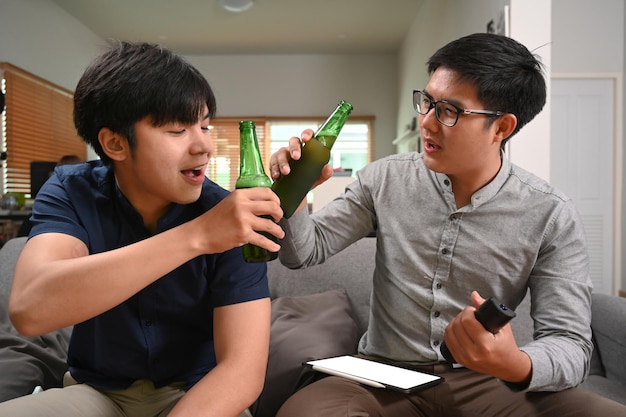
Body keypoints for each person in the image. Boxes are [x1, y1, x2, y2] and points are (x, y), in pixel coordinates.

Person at [270, 33, 626, 416]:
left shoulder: (551, 214)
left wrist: (514, 363)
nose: (426, 122)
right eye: (427, 102)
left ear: (502, 127)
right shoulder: (384, 179)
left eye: (450, 111)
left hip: (486, 383)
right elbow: (304, 251)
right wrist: (294, 193)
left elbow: (570, 343)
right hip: (380, 376)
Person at [3, 41, 284, 417]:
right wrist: (198, 236)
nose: (204, 146)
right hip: (96, 393)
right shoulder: (70, 189)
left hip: (200, 395)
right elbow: (30, 309)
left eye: (204, 126)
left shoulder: (229, 214)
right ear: (115, 143)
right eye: (177, 130)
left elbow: (242, 372)